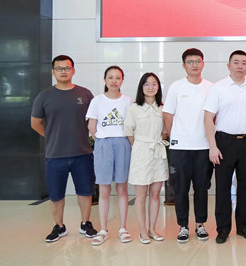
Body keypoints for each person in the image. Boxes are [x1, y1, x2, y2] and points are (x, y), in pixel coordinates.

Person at [31, 55, 98, 242]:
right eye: (59, 68)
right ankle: (59, 226)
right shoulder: (44, 96)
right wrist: (52, 136)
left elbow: (94, 119)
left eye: (67, 68)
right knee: (56, 194)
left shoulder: (85, 94)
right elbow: (35, 123)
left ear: (73, 71)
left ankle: (85, 223)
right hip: (55, 155)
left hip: (82, 153)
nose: (63, 71)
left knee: (85, 191)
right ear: (53, 72)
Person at [204, 50, 246, 244]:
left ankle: (243, 226)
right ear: (228, 66)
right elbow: (208, 118)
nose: (240, 66)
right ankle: (223, 229)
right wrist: (213, 146)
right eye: (236, 62)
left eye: (243, 63)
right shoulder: (218, 88)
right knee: (222, 187)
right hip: (224, 142)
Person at [163, 48, 214, 243]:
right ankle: (183, 226)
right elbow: (167, 114)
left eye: (198, 61)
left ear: (203, 64)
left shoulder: (211, 87)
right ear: (184, 65)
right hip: (180, 148)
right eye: (190, 62)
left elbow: (214, 116)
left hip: (203, 147)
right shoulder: (176, 87)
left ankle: (200, 224)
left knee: (202, 188)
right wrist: (176, 136)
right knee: (181, 189)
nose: (194, 65)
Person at [86, 66, 133, 245]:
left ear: (122, 80)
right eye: (110, 77)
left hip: (123, 144)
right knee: (104, 189)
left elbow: (132, 125)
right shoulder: (97, 100)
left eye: (117, 78)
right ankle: (103, 229)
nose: (114, 81)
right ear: (105, 80)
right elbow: (92, 126)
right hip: (103, 144)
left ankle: (123, 228)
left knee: (122, 188)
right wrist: (101, 140)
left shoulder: (128, 101)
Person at [124, 73, 169, 244]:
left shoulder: (163, 108)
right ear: (141, 87)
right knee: (141, 196)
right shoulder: (134, 108)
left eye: (154, 84)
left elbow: (165, 131)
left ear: (158, 87)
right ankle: (143, 231)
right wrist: (141, 146)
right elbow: (129, 133)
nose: (150, 87)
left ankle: (152, 229)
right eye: (147, 84)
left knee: (156, 193)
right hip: (141, 152)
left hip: (158, 152)